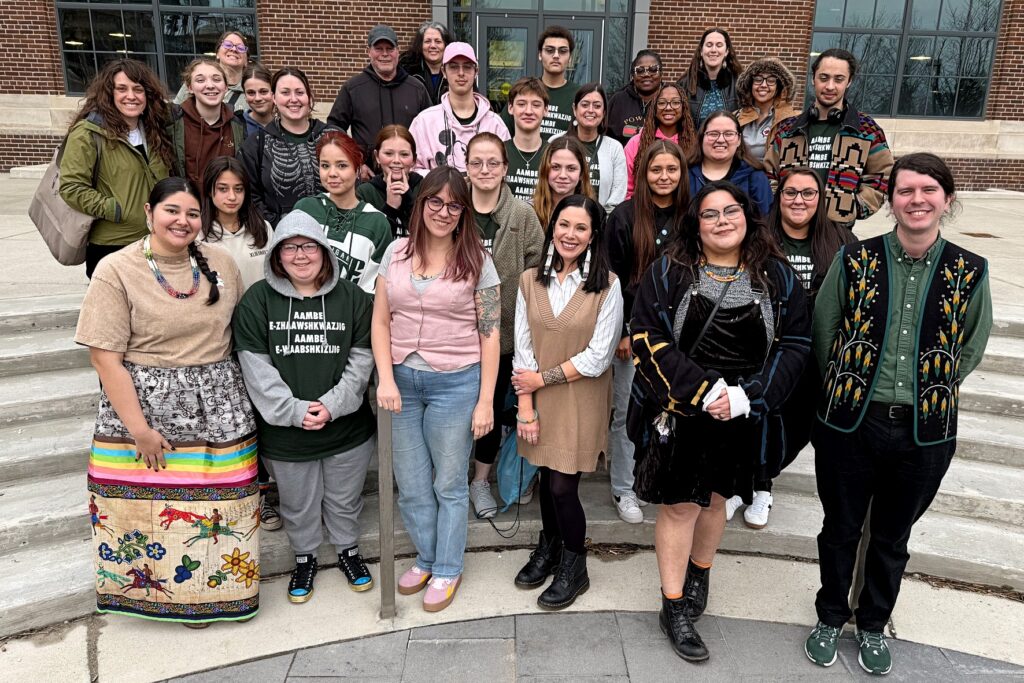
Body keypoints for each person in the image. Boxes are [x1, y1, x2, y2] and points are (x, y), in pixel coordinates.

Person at [804, 153, 991, 676]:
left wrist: (931, 387)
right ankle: (829, 614)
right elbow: (824, 330)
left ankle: (871, 622)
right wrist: (845, 382)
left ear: (945, 200)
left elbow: (971, 346)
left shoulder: (969, 271)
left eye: (928, 190)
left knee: (891, 536)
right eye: (906, 190)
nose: (917, 200)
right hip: (849, 423)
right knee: (839, 527)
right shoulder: (855, 259)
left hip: (924, 430)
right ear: (890, 201)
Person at [629, 181, 810, 663]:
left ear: (748, 217)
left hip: (742, 414)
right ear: (696, 224)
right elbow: (647, 336)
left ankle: (700, 572)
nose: (722, 220)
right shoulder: (670, 271)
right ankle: (673, 605)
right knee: (680, 507)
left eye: (731, 211)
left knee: (716, 500)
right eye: (710, 214)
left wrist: (748, 398)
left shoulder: (776, 276)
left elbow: (795, 344)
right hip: (683, 410)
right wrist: (705, 390)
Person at [75, 177, 259, 626]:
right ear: (149, 212)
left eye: (193, 214)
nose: (183, 221)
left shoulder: (220, 263)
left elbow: (240, 330)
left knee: (220, 512)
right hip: (146, 410)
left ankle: (219, 597)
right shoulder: (117, 269)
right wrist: (139, 429)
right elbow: (105, 358)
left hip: (220, 405)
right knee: (147, 513)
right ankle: (151, 598)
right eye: (172, 211)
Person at [371, 167, 500, 612]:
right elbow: (381, 320)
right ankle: (426, 557)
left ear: (464, 212)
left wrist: (486, 400)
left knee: (448, 483)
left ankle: (447, 565)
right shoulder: (396, 253)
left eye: (454, 205)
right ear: (421, 203)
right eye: (436, 202)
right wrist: (386, 377)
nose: (444, 212)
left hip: (456, 383)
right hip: (402, 383)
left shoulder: (479, 259)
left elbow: (490, 333)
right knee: (410, 483)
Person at [233, 211, 377, 603]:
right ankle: (305, 557)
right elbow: (256, 369)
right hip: (285, 437)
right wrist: (294, 412)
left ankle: (348, 550)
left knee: (344, 500)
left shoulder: (353, 299)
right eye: (289, 247)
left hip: (346, 430)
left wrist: (332, 406)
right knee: (297, 504)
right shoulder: (256, 301)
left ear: (325, 252)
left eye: (308, 245)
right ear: (276, 256)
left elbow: (362, 362)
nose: (300, 255)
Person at [724, 167, 854, 530]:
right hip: (759, 347)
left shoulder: (841, 240)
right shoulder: (756, 236)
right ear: (778, 196)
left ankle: (765, 479)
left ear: (820, 198)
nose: (799, 200)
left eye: (808, 193)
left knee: (793, 425)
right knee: (753, 416)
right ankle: (748, 486)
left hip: (811, 350)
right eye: (790, 192)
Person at [511, 194, 623, 609]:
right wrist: (526, 406)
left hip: (581, 398)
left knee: (563, 484)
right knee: (545, 476)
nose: (569, 234)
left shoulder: (607, 285)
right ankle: (550, 548)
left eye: (580, 227)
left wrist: (543, 377)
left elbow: (598, 357)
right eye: (563, 225)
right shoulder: (529, 280)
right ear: (551, 227)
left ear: (594, 234)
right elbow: (523, 349)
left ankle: (576, 567)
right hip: (538, 399)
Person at [464, 132, 546, 518]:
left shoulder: (523, 215)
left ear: (505, 168)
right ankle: (448, 480)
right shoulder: (453, 208)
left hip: (506, 335)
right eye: (476, 162)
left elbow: (537, 274)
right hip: (455, 337)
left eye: (492, 162)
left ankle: (481, 480)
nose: (484, 170)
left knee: (492, 410)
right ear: (466, 167)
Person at [606, 139, 688, 524]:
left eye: (672, 169)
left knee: (672, 410)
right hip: (634, 334)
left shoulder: (691, 216)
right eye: (656, 170)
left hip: (681, 336)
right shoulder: (624, 217)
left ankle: (662, 479)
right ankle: (625, 487)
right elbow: (612, 279)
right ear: (643, 173)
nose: (664, 177)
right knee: (627, 411)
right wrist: (622, 332)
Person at [60, 59, 173, 278]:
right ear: (108, 93)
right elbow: (71, 187)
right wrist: (114, 209)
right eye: (122, 89)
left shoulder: (154, 132)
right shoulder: (88, 133)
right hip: (112, 244)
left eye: (138, 89)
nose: (131, 96)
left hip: (156, 240)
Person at [764, 48, 894, 229]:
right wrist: (781, 206)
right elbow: (768, 174)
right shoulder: (788, 129)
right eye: (823, 78)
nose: (830, 86)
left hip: (837, 231)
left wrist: (853, 208)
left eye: (839, 79)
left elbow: (883, 176)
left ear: (849, 82)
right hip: (788, 229)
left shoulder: (866, 129)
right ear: (813, 79)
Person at [292, 131, 393, 294]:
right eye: (325, 165)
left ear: (357, 168)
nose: (332, 173)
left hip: (351, 316)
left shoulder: (377, 223)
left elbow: (374, 292)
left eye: (342, 165)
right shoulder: (304, 209)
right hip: (304, 313)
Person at [327, 25, 432, 176]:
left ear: (397, 51)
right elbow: (334, 130)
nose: (385, 54)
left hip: (410, 177)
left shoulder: (417, 89)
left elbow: (430, 132)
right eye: (379, 49)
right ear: (368, 51)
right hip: (367, 178)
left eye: (390, 48)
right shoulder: (353, 88)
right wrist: (355, 161)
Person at [240, 67, 337, 227]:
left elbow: (352, 184)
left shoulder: (333, 136)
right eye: (285, 93)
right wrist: (278, 226)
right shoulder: (256, 144)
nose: (293, 99)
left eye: (299, 92)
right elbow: (250, 196)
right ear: (274, 98)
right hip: (280, 235)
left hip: (334, 232)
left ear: (309, 97)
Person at [409, 42, 510, 174]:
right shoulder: (424, 122)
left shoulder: (494, 123)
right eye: (454, 67)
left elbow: (506, 168)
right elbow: (411, 168)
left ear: (476, 72)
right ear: (443, 72)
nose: (461, 73)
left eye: (467, 67)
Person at [167, 59, 246, 190]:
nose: (210, 85)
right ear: (189, 87)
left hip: (225, 205)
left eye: (216, 79)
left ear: (226, 87)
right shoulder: (173, 123)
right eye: (200, 80)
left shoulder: (238, 125)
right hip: (187, 205)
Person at [550, 83, 628, 213]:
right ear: (575, 109)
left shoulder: (614, 148)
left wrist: (602, 222)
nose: (591, 110)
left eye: (597, 106)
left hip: (601, 225)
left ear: (603, 113)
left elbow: (618, 194)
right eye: (585, 105)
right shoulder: (555, 142)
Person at [199, 156, 273, 291]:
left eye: (238, 189)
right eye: (223, 189)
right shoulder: (198, 234)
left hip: (261, 310)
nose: (232, 197)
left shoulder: (263, 228)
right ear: (209, 191)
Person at [689, 111, 772, 216]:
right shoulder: (685, 175)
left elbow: (764, 221)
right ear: (701, 138)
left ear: (739, 140)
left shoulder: (755, 177)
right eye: (713, 134)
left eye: (728, 134)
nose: (720, 140)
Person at [502, 26, 578, 140]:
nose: (556, 56)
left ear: (570, 57)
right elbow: (504, 132)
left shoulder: (580, 96)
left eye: (562, 51)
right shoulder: (525, 91)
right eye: (549, 50)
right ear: (540, 55)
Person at [624, 83, 697, 199]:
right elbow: (627, 189)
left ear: (684, 107)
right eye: (662, 103)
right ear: (654, 107)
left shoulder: (694, 144)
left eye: (676, 102)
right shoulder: (637, 142)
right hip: (642, 210)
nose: (668, 108)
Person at [356, 125, 423, 238]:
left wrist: (409, 200)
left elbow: (428, 233)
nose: (396, 160)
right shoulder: (365, 193)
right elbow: (367, 240)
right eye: (388, 153)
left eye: (404, 154)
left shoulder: (425, 187)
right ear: (377, 157)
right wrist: (390, 208)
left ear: (414, 160)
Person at [677, 28, 743, 129]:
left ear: (726, 52)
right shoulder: (684, 84)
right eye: (709, 45)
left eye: (719, 45)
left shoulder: (740, 84)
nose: (713, 50)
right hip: (693, 144)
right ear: (701, 51)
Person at [734, 57, 798, 161]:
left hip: (771, 175)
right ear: (750, 84)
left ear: (779, 87)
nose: (763, 85)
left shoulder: (789, 120)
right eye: (758, 80)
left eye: (771, 80)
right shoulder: (736, 117)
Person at [173, 30, 251, 112]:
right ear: (217, 53)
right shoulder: (196, 82)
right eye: (228, 45)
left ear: (246, 61)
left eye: (241, 48)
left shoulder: (252, 92)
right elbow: (175, 114)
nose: (234, 49)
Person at [532, 137, 595, 230]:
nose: (563, 175)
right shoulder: (528, 211)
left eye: (571, 168)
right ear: (545, 170)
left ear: (581, 173)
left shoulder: (593, 213)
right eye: (555, 167)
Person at [503, 77, 549, 204]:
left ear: (546, 110)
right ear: (510, 108)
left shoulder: (553, 154)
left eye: (536, 105)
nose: (528, 111)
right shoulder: (498, 153)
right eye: (521, 104)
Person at [607, 50, 663, 147]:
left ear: (661, 73)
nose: (646, 74)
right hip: (623, 160)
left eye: (653, 69)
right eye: (640, 70)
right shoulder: (618, 100)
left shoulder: (669, 99)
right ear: (633, 75)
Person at [400, 21, 451, 106]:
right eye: (427, 41)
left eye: (438, 41)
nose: (433, 46)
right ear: (420, 45)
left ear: (445, 45)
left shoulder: (456, 71)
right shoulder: (406, 71)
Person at [237, 64, 275, 136]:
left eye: (263, 91)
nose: (258, 98)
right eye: (251, 92)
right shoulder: (236, 125)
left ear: (273, 92)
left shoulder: (286, 125)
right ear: (245, 96)